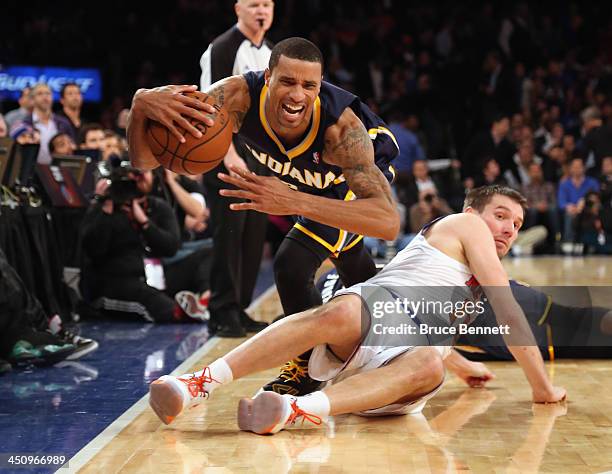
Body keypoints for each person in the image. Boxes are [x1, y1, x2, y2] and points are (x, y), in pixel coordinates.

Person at [147, 185, 565, 434]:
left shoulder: (468, 282)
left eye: (518, 224)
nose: (510, 228)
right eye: (501, 216)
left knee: (427, 362)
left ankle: (293, 412)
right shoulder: (465, 226)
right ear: (472, 213)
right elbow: (508, 311)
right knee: (341, 313)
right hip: (369, 323)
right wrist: (543, 389)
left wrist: (461, 367)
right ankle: (198, 383)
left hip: (394, 375)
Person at [127, 37, 400, 394]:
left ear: (320, 87)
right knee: (350, 259)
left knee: (292, 264)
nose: (297, 95)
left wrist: (295, 201)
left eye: (309, 86)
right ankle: (397, 336)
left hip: (351, 174)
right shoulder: (234, 97)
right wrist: (140, 105)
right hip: (307, 181)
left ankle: (307, 370)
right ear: (268, 77)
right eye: (287, 81)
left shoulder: (343, 133)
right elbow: (145, 161)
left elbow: (388, 222)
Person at [198, 0, 275, 337]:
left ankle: (240, 307)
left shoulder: (272, 50)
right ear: (238, 9)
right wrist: (227, 152)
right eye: (254, 4)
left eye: (267, 4)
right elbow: (211, 104)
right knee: (229, 234)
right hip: (227, 150)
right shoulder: (222, 48)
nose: (262, 10)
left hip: (260, 154)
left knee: (253, 235)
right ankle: (221, 311)